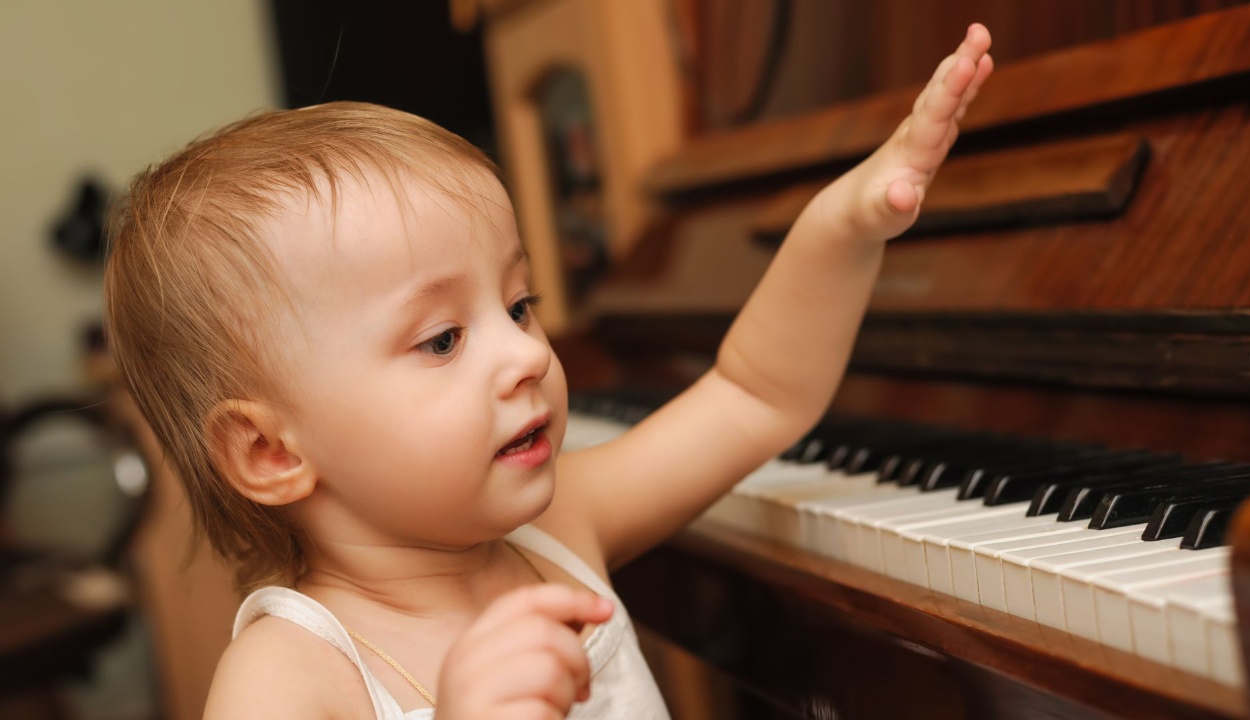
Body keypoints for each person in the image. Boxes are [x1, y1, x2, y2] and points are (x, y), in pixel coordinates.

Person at [103, 23, 993, 720]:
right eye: (443, 339)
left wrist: (843, 226)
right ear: (268, 452)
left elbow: (756, 395)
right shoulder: (290, 675)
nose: (528, 353)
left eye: (520, 305)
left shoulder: (563, 526)